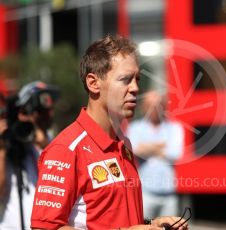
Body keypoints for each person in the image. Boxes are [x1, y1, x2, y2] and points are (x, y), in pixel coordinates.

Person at [31, 35, 189, 230]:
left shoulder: (124, 143)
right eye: (125, 79)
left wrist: (150, 224)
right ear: (93, 83)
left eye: (137, 79)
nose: (135, 88)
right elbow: (44, 228)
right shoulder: (65, 149)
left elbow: (113, 218)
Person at [0, 81, 59, 230]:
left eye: (49, 109)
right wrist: (2, 149)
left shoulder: (50, 142)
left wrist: (44, 143)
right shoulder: (10, 142)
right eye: (40, 112)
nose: (49, 114)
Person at [127, 90, 184, 217]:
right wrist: (161, 146)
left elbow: (175, 153)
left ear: (164, 107)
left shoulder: (175, 127)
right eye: (150, 106)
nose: (154, 109)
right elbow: (134, 150)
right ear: (143, 107)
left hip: (169, 194)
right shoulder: (135, 128)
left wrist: (147, 146)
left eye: (158, 105)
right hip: (145, 193)